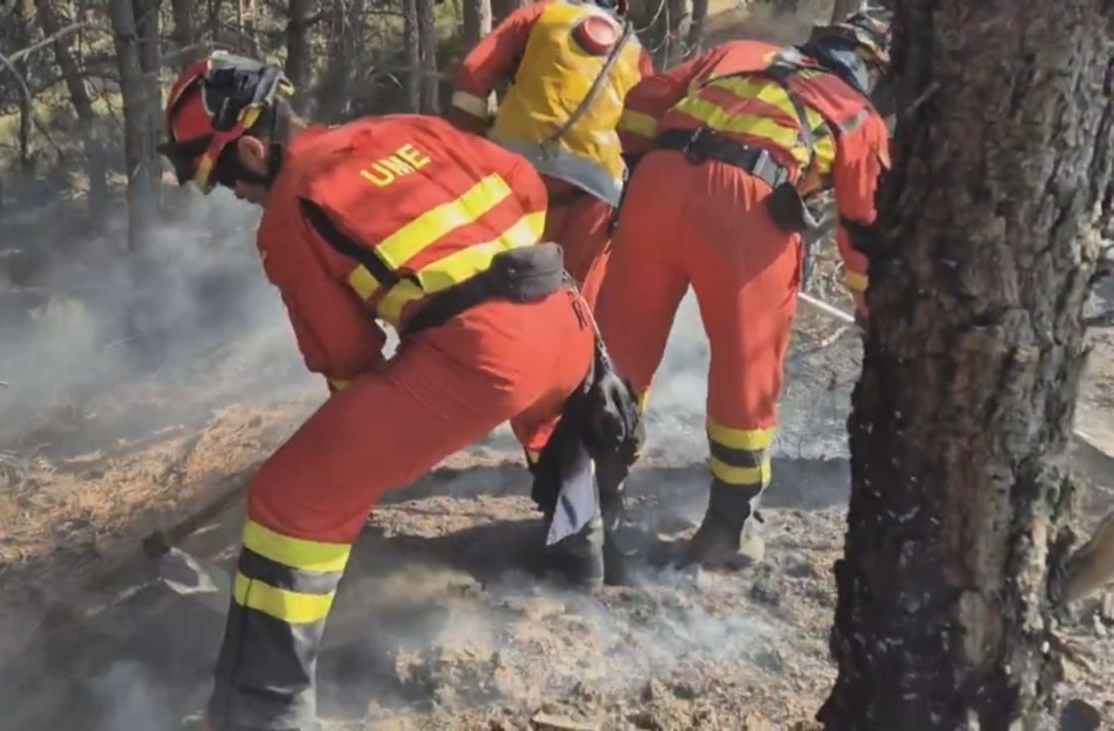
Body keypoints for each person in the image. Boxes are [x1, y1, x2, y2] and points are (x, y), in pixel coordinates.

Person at [158, 52, 638, 731]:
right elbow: (525, 185)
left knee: (290, 496)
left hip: (479, 355)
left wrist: (363, 424)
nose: (235, 194)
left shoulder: (291, 205)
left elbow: (346, 352)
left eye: (225, 176)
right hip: (562, 318)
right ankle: (579, 553)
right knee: (551, 420)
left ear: (256, 149)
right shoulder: (407, 128)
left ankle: (258, 712)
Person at [595, 12, 893, 570]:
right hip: (747, 209)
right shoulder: (860, 117)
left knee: (622, 355)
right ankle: (729, 528)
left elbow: (644, 97)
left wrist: (642, 165)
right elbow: (865, 232)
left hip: (657, 183)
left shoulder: (742, 51)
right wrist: (875, 314)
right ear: (873, 69)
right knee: (746, 373)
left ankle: (590, 506)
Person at [448, 0, 653, 308]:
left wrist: (470, 141)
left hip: (513, 172)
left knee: (490, 287)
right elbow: (642, 129)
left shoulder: (543, 13)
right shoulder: (636, 54)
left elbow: (473, 70)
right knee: (575, 302)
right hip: (595, 190)